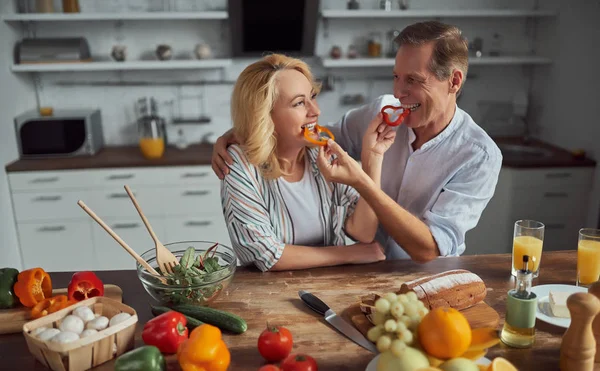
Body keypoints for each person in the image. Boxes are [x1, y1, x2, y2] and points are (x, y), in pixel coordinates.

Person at [212, 21, 503, 263]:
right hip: (360, 273)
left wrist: (364, 177)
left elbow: (429, 249)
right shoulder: (378, 114)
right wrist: (241, 132)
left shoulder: (479, 155)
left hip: (424, 276)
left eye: (413, 80)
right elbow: (311, 133)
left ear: (454, 81)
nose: (399, 92)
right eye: (396, 77)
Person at [220, 53, 396, 272]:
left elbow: (362, 231)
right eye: (299, 103)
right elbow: (269, 255)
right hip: (266, 295)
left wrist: (373, 159)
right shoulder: (239, 164)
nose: (316, 111)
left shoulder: (321, 153)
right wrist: (350, 253)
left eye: (312, 97)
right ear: (264, 115)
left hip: (332, 287)